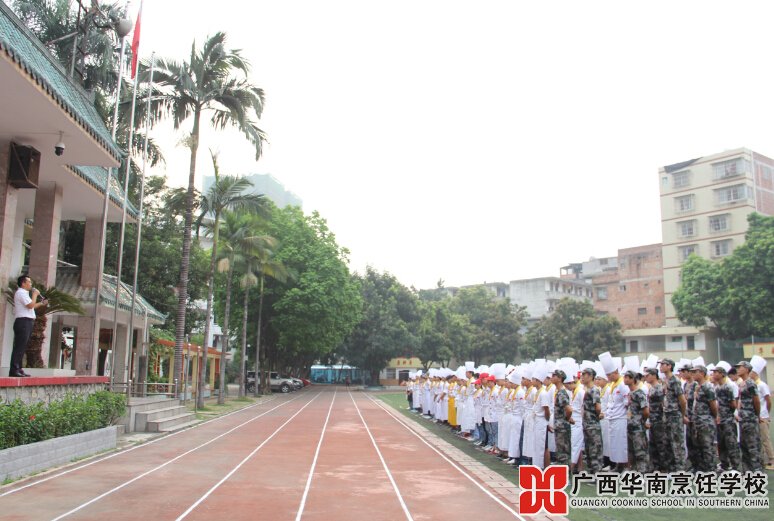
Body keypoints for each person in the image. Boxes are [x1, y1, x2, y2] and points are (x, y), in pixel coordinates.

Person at [11, 275, 47, 377]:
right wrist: (35, 294)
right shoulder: (20, 293)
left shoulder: (25, 294)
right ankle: (14, 369)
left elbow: (31, 307)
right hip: (23, 321)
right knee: (19, 346)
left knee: (23, 346)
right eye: (29, 282)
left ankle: (19, 368)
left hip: (28, 321)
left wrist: (41, 303)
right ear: (23, 283)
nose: (31, 284)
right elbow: (30, 305)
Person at [712, 364, 742, 471]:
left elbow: (734, 403)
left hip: (729, 419)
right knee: (721, 444)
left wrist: (731, 414)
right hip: (720, 420)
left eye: (716, 372)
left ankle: (736, 467)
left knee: (731, 443)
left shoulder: (729, 386)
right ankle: (724, 464)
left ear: (721, 374)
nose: (713, 374)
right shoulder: (717, 388)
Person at [659, 358, 687, 472]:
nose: (661, 367)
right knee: (667, 442)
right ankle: (671, 469)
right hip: (667, 414)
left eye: (663, 364)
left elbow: (682, 400)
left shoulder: (674, 380)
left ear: (669, 366)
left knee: (677, 443)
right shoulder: (665, 380)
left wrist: (682, 415)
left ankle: (680, 469)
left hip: (675, 415)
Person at [735, 360, 763, 472]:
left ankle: (757, 471)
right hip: (743, 419)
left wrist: (756, 415)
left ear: (746, 369)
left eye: (740, 367)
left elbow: (756, 401)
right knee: (744, 446)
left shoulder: (750, 383)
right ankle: (747, 471)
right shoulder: (741, 383)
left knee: (752, 446)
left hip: (750, 419)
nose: (738, 369)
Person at [689, 365, 719, 472]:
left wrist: (713, 417)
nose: (692, 374)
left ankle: (710, 469)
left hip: (705, 421)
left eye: (694, 372)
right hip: (697, 420)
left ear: (701, 373)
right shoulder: (696, 386)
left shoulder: (708, 387)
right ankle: (701, 468)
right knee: (698, 445)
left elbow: (713, 405)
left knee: (707, 446)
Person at [624, 370, 651, 473]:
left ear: (633, 379)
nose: (625, 379)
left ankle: (643, 472)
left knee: (640, 451)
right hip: (630, 426)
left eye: (628, 377)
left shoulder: (639, 393)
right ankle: (635, 471)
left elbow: (646, 411)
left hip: (638, 427)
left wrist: (641, 421)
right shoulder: (630, 393)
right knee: (631, 452)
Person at [644, 367, 668, 472]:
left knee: (661, 444)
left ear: (654, 375)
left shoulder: (659, 388)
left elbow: (664, 404)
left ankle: (663, 467)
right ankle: (655, 466)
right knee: (653, 444)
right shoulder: (651, 388)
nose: (646, 377)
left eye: (648, 375)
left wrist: (663, 418)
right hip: (653, 419)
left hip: (659, 419)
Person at [581, 367, 604, 474]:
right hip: (587, 424)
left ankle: (597, 473)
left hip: (592, 424)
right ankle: (592, 472)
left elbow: (598, 407)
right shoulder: (588, 390)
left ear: (590, 376)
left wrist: (595, 416)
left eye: (584, 375)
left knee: (595, 449)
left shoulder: (594, 390)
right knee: (589, 449)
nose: (582, 377)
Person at [552, 369, 573, 467]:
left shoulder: (562, 393)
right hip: (560, 426)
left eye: (554, 376)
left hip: (562, 427)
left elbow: (569, 409)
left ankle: (566, 478)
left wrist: (566, 419)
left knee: (563, 453)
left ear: (560, 378)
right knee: (560, 452)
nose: (552, 377)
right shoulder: (559, 392)